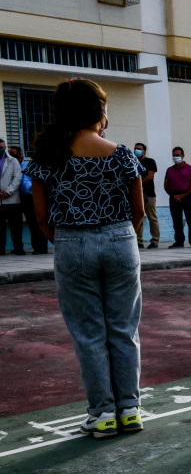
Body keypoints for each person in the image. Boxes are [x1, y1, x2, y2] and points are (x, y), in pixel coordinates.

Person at [25, 79, 146, 439]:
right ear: (99, 112)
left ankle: (103, 413)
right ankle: (130, 408)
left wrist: (66, 240)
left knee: (89, 333)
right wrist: (121, 236)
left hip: (72, 242)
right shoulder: (123, 154)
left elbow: (42, 217)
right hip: (120, 239)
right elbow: (137, 211)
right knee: (124, 329)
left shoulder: (47, 157)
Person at [11, 145, 47, 255]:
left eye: (14, 155)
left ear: (20, 155)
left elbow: (27, 180)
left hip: (32, 196)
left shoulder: (27, 165)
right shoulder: (11, 166)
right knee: (30, 223)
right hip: (20, 197)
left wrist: (33, 189)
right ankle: (35, 246)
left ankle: (41, 247)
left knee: (38, 222)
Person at [165, 146, 191, 248]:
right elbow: (166, 185)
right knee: (177, 221)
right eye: (174, 155)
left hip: (187, 196)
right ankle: (179, 241)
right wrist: (172, 195)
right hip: (174, 197)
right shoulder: (169, 170)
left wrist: (184, 195)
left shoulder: (190, 169)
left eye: (177, 155)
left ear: (183, 156)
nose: (175, 157)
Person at [133, 143, 160, 249]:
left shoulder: (150, 162)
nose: (136, 150)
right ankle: (139, 241)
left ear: (144, 151)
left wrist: (137, 185)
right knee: (138, 216)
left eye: (139, 149)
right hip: (137, 194)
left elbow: (150, 176)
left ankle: (155, 240)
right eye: (135, 149)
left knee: (152, 217)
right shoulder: (132, 161)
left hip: (149, 194)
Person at [0, 138, 24, 255]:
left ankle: (18, 249)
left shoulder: (13, 161)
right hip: (0, 201)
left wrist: (8, 192)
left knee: (16, 227)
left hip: (12, 200)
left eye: (1, 147)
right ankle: (1, 249)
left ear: (5, 148)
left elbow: (17, 177)